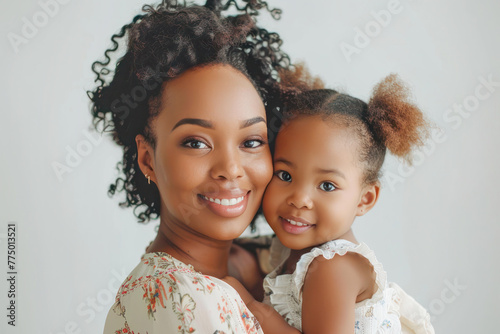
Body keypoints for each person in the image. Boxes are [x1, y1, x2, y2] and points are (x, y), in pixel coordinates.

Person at [87, 0, 293, 332]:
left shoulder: (268, 257)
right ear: (147, 159)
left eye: (251, 141)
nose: (230, 168)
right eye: (196, 143)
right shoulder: (178, 301)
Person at [223, 72, 436, 333]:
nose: (299, 199)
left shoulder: (332, 267)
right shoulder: (297, 254)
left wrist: (250, 306)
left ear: (365, 199)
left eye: (327, 185)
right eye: (285, 175)